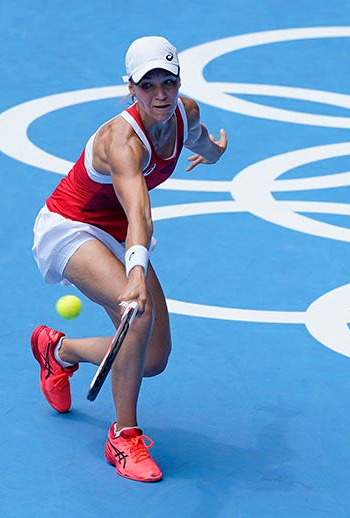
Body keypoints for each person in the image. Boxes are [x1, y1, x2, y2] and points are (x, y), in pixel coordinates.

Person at [30, 36, 227, 482]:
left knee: (153, 358)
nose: (161, 94)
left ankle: (59, 351)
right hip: (72, 226)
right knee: (134, 314)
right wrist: (135, 274)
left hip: (117, 232)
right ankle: (124, 436)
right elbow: (139, 211)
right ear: (131, 89)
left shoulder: (184, 112)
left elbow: (196, 135)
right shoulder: (122, 141)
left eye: (168, 82)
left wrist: (213, 152)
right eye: (148, 84)